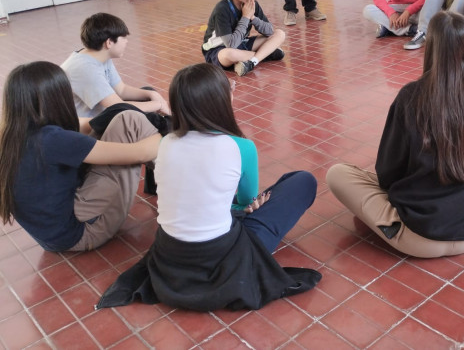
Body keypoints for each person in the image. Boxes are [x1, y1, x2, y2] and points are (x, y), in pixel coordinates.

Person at [98, 64, 321, 310]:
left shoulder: (165, 143)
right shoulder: (240, 147)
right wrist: (238, 208)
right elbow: (247, 201)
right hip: (224, 258)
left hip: (170, 257)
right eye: (229, 89)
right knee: (301, 181)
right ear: (219, 102)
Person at [327, 12, 464, 258]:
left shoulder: (411, 96)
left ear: (430, 47)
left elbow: (388, 172)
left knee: (338, 174)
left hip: (418, 235)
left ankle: (395, 221)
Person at [0, 62, 160, 252]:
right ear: (56, 98)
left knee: (124, 119)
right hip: (83, 233)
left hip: (54, 234)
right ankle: (185, 190)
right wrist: (162, 131)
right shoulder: (52, 139)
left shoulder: (12, 133)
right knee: (133, 121)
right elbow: (141, 152)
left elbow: (87, 124)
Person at [61, 13, 171, 118]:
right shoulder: (85, 68)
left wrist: (151, 94)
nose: (126, 42)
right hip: (88, 127)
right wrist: (159, 105)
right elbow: (118, 106)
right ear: (109, 43)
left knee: (148, 93)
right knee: (147, 116)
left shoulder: (100, 55)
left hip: (104, 112)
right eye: (123, 38)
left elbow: (121, 90)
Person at [202, 0, 285, 77]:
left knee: (280, 34)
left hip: (242, 44)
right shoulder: (221, 9)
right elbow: (231, 45)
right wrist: (245, 17)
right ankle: (265, 54)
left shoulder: (251, 3)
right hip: (219, 50)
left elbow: (269, 31)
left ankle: (252, 62)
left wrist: (253, 18)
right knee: (230, 54)